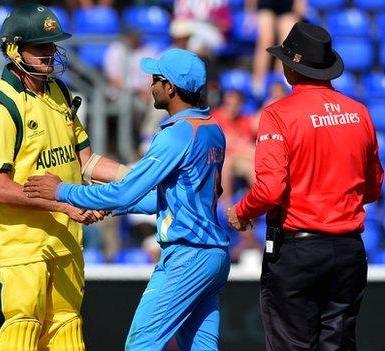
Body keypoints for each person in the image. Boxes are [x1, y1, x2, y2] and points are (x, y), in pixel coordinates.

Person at [24, 48, 230, 351]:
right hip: (214, 255)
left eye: (156, 79)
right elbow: (165, 201)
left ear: (170, 88)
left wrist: (61, 191)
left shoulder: (176, 135)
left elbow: (126, 190)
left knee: (141, 344)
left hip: (187, 254)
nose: (151, 85)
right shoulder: (213, 129)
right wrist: (108, 208)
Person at [0, 4, 127, 350]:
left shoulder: (57, 93)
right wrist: (65, 205)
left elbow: (85, 162)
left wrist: (138, 178)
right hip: (21, 251)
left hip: (66, 244)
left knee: (67, 332)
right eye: (41, 47)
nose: (50, 54)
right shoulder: (0, 107)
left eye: (53, 45)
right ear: (14, 51)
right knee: (19, 334)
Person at [227, 22, 384, 351]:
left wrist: (241, 212)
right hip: (348, 251)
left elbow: (270, 189)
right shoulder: (360, 113)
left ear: (290, 67)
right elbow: (372, 188)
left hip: (298, 251)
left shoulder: (279, 114)